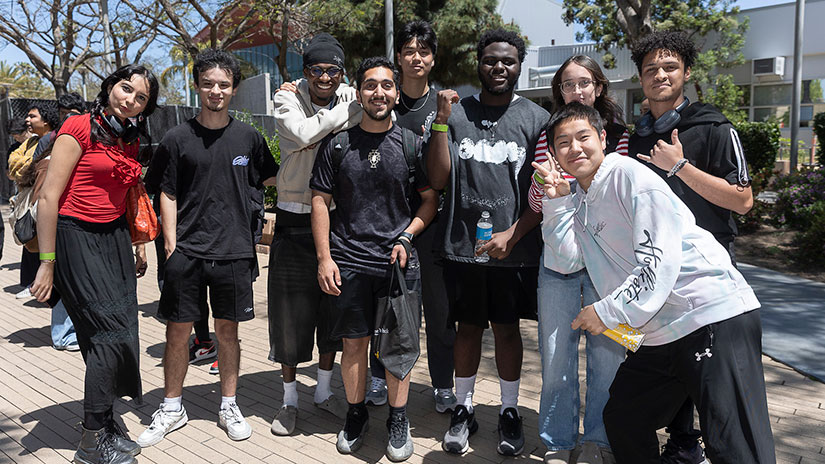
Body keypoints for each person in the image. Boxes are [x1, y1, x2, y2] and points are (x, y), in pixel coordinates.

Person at [535, 101, 775, 464]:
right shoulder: (580, 198)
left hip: (712, 315)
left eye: (583, 137)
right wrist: (556, 204)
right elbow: (566, 261)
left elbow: (657, 264)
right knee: (625, 418)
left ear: (603, 138)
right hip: (661, 332)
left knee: (734, 444)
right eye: (563, 142)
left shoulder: (628, 175)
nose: (575, 148)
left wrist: (606, 311)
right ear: (554, 153)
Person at [137, 49, 279, 447]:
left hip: (234, 252)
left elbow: (273, 178)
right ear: (198, 86)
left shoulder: (249, 137)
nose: (216, 91)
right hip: (187, 252)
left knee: (227, 333)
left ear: (234, 89)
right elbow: (165, 191)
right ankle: (171, 406)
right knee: (177, 333)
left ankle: (229, 404)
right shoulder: (177, 138)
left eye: (224, 84)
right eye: (208, 84)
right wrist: (170, 244)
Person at [628, 30, 755, 463]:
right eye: (651, 69)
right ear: (640, 79)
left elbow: (743, 200)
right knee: (668, 362)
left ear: (686, 73)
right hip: (656, 270)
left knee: (711, 376)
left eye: (670, 67)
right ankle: (682, 443)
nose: (660, 75)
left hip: (709, 272)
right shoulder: (638, 137)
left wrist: (679, 166)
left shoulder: (715, 127)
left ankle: (712, 448)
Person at [426, 28, 549, 456]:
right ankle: (463, 408)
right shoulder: (456, 113)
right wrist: (440, 121)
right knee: (468, 330)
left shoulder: (537, 119)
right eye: (490, 60)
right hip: (464, 247)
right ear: (478, 64)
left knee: (508, 330)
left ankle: (509, 410)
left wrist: (514, 234)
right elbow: (437, 179)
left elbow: (544, 193)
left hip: (515, 249)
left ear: (519, 66)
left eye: (508, 61)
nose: (499, 67)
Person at [29, 63, 159, 464]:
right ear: (110, 86)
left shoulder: (128, 138)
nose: (131, 100)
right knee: (106, 335)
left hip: (114, 238)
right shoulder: (78, 127)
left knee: (123, 331)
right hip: (76, 236)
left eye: (141, 97)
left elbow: (127, 196)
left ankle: (104, 424)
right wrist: (47, 262)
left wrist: (138, 246)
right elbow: (49, 198)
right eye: (126, 89)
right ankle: (90, 442)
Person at [310, 56, 438, 461]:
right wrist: (324, 258)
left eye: (386, 85)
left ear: (396, 93)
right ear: (358, 92)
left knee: (399, 348)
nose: (378, 93)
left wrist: (407, 235)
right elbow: (319, 200)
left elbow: (430, 201)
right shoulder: (338, 145)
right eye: (370, 85)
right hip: (349, 263)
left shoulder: (411, 144)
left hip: (398, 266)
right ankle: (356, 414)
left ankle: (398, 420)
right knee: (354, 346)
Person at [528, 55, 628, 464]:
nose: (577, 91)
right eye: (568, 85)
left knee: (608, 357)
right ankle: (557, 440)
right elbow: (536, 203)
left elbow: (615, 198)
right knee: (556, 356)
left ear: (599, 86)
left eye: (584, 82)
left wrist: (571, 191)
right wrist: (548, 187)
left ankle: (598, 442)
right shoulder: (548, 133)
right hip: (558, 262)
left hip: (608, 263)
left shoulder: (619, 134)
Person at [267, 32, 360, 436]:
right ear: (304, 72)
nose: (324, 77)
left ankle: (323, 391)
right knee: (289, 316)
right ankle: (289, 400)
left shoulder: (352, 94)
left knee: (331, 310)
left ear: (342, 72)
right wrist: (346, 111)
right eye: (316, 69)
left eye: (332, 70)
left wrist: (351, 103)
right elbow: (303, 134)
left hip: (336, 219)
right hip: (292, 219)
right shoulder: (286, 97)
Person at [364, 19, 458, 415]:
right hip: (385, 224)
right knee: (384, 310)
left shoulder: (445, 105)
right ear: (398, 57)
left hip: (432, 224)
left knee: (439, 313)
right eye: (408, 51)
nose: (416, 57)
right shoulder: (383, 98)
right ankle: (377, 376)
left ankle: (443, 384)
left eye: (424, 51)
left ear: (433, 59)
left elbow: (445, 173)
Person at [9, 103, 58, 299]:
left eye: (32, 116)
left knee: (39, 243)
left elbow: (31, 168)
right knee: (31, 243)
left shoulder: (53, 140)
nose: (27, 120)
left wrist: (25, 167)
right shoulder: (31, 142)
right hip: (30, 199)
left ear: (46, 121)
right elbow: (13, 162)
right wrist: (26, 166)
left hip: (41, 201)